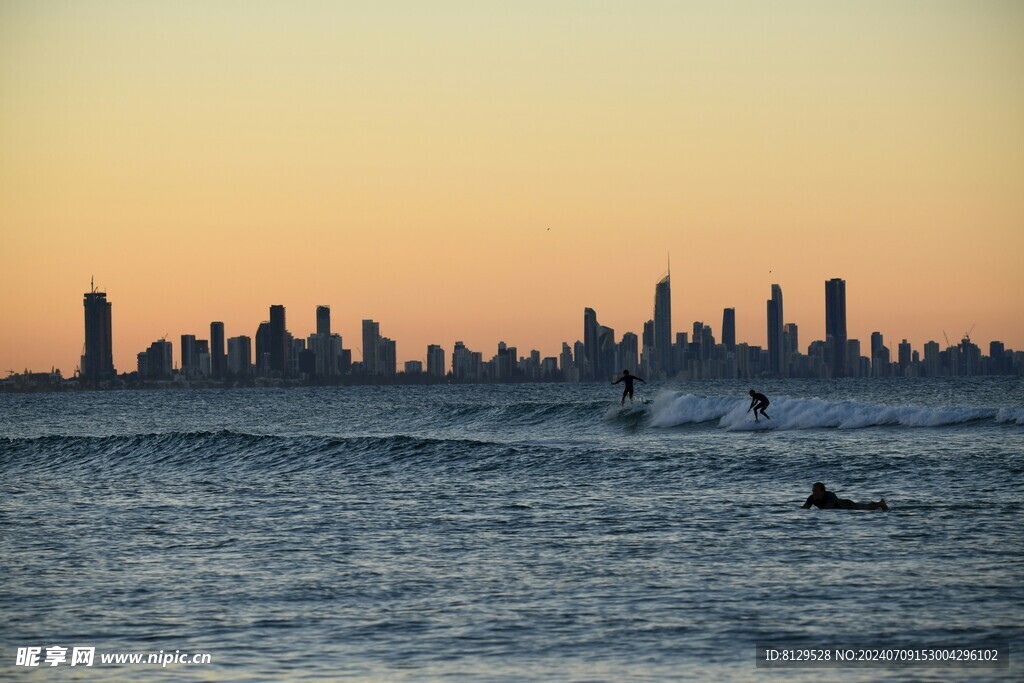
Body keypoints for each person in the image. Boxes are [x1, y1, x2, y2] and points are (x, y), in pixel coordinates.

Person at [801, 482, 888, 511]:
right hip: (843, 508)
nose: (814, 493)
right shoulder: (812, 497)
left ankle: (881, 503)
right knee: (866, 506)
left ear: (823, 491)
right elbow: (805, 508)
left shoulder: (830, 496)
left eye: (816, 491)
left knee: (866, 508)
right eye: (813, 491)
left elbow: (828, 509)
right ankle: (878, 503)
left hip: (847, 505)